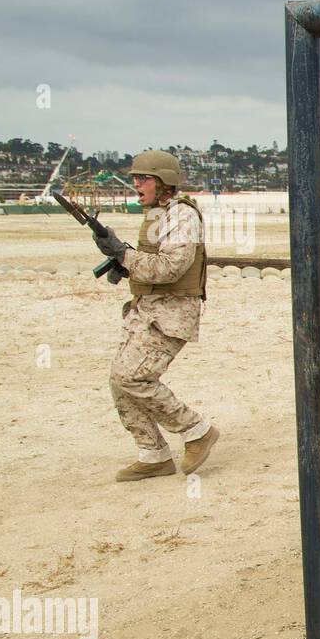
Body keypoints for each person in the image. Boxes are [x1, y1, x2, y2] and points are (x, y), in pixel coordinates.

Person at [93, 150, 220, 481]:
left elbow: (169, 268)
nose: (136, 183)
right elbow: (149, 262)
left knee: (132, 377)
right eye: (135, 178)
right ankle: (153, 454)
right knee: (120, 382)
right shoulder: (157, 214)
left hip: (172, 313)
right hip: (147, 310)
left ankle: (196, 430)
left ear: (164, 182)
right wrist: (122, 263)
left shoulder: (182, 217)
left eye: (143, 178)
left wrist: (125, 256)